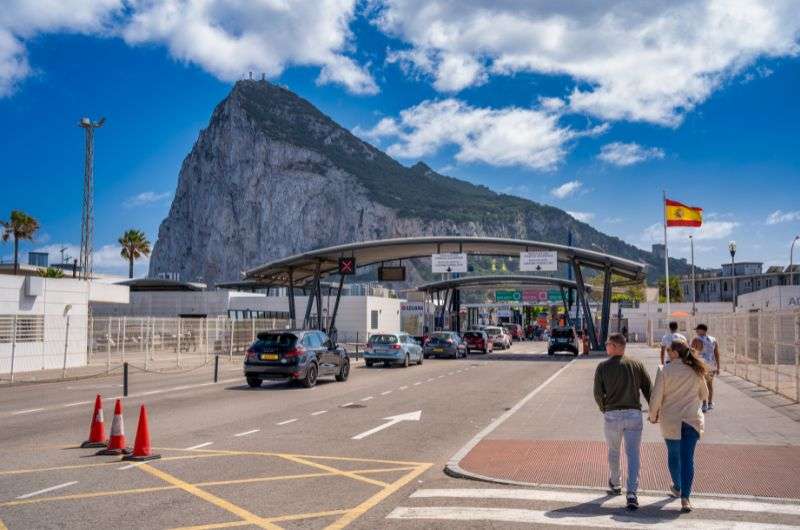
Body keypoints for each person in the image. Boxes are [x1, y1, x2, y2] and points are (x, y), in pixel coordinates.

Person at [648, 340, 709, 513]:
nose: (667, 352)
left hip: (671, 420)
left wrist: (653, 416)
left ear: (675, 352)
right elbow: (704, 394)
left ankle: (677, 486)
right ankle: (686, 498)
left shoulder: (665, 370)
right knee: (688, 459)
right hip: (692, 420)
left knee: (674, 455)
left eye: (669, 350)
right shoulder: (695, 369)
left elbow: (656, 396)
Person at [593, 333, 653, 510]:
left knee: (613, 451)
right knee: (633, 454)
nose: (606, 347)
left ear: (616, 346)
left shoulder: (603, 367)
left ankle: (615, 482)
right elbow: (648, 388)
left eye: (608, 344)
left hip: (612, 415)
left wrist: (604, 408)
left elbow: (597, 393)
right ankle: (632, 492)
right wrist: (654, 410)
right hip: (634, 414)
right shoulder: (636, 364)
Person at [693, 324, 720, 412]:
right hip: (712, 364)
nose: (696, 331)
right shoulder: (713, 339)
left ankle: (704, 404)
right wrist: (718, 366)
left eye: (697, 330)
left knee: (703, 384)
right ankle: (710, 403)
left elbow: (693, 353)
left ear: (702, 330)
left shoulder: (696, 340)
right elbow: (716, 353)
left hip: (702, 365)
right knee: (710, 384)